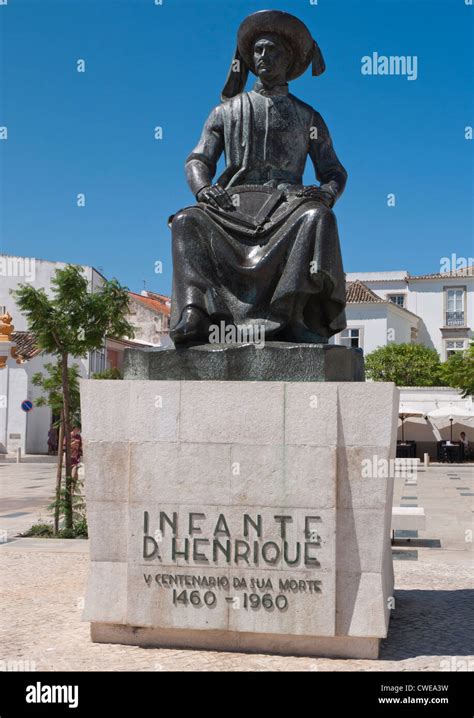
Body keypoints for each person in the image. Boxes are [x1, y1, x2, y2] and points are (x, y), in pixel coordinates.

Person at [170, 10, 348, 345]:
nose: (264, 57)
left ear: (290, 59)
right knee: (185, 220)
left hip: (287, 209)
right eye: (258, 51)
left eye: (273, 50)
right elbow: (197, 159)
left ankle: (293, 315)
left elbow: (334, 171)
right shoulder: (225, 112)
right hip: (230, 208)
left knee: (319, 217)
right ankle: (195, 311)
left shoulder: (308, 116)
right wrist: (204, 190)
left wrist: (326, 193)